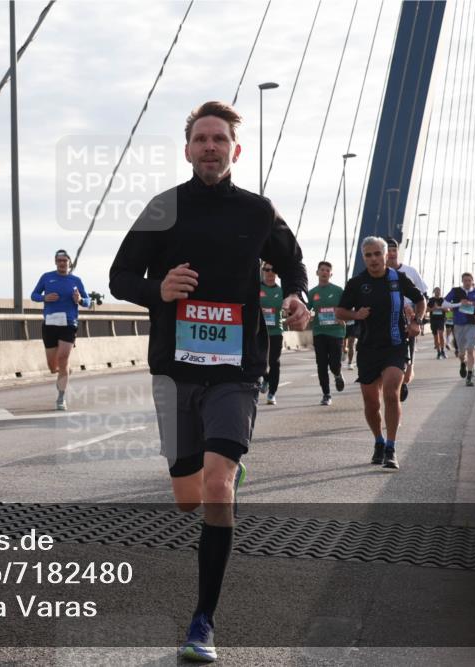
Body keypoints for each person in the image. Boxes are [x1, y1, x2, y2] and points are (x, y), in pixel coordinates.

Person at [109, 101, 309, 662]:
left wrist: (296, 295)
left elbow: (293, 265)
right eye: (201, 139)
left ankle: (203, 621)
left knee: (218, 487)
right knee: (185, 497)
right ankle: (222, 468)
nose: (211, 147)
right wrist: (159, 289)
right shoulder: (163, 208)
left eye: (220, 139)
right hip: (174, 370)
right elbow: (119, 276)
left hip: (237, 367)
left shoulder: (258, 211)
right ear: (188, 148)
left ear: (235, 150)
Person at [335, 236, 425, 471]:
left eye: (377, 254)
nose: (373, 259)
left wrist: (416, 321)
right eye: (368, 255)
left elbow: (420, 299)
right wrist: (356, 315)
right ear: (363, 257)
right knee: (371, 402)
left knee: (391, 393)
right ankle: (378, 440)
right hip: (367, 348)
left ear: (387, 256)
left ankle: (391, 448)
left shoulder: (398, 279)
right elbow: (340, 311)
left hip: (395, 345)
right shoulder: (356, 283)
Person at [30, 249, 90, 410]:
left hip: (69, 324)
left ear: (70, 263)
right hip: (50, 324)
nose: (62, 263)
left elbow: (88, 301)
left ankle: (61, 398)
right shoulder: (47, 277)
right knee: (53, 367)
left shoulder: (76, 280)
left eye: (65, 260)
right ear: (55, 262)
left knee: (63, 358)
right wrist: (44, 297)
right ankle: (65, 370)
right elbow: (33, 295)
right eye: (59, 260)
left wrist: (80, 299)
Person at [385, 238, 427, 402]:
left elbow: (423, 297)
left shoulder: (410, 272)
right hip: (386, 325)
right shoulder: (376, 275)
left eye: (394, 249)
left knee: (407, 375)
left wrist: (417, 318)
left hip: (407, 325)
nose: (392, 253)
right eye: (388, 250)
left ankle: (404, 377)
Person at [307, 261, 346, 405]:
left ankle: (337, 373)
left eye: (327, 270)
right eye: (322, 270)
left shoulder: (338, 290)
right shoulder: (312, 293)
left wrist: (343, 317)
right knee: (321, 364)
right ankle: (326, 394)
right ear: (317, 273)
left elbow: (346, 307)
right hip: (319, 332)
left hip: (336, 332)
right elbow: (306, 309)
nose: (324, 272)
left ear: (331, 274)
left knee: (334, 363)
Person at [444, 272, 475, 387]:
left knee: (470, 349)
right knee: (462, 353)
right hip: (459, 325)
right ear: (462, 281)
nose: (467, 282)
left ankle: (469, 376)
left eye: (469, 280)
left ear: (472, 281)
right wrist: (458, 304)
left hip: (472, 324)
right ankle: (463, 363)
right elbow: (444, 303)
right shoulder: (455, 291)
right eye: (465, 280)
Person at [259, 261, 285, 405]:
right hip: (259, 332)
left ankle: (272, 393)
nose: (270, 272)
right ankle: (265, 378)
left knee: (274, 362)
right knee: (260, 359)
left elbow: (290, 308)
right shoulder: (256, 288)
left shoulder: (281, 291)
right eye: (266, 269)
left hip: (275, 331)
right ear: (263, 271)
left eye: (273, 270)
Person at [427, 287, 447, 359]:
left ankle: (443, 350)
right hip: (433, 320)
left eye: (439, 291)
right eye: (436, 291)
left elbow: (447, 309)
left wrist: (439, 308)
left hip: (441, 319)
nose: (438, 292)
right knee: (436, 337)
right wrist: (433, 309)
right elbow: (427, 309)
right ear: (434, 292)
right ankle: (438, 352)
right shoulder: (431, 300)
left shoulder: (443, 300)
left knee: (441, 335)